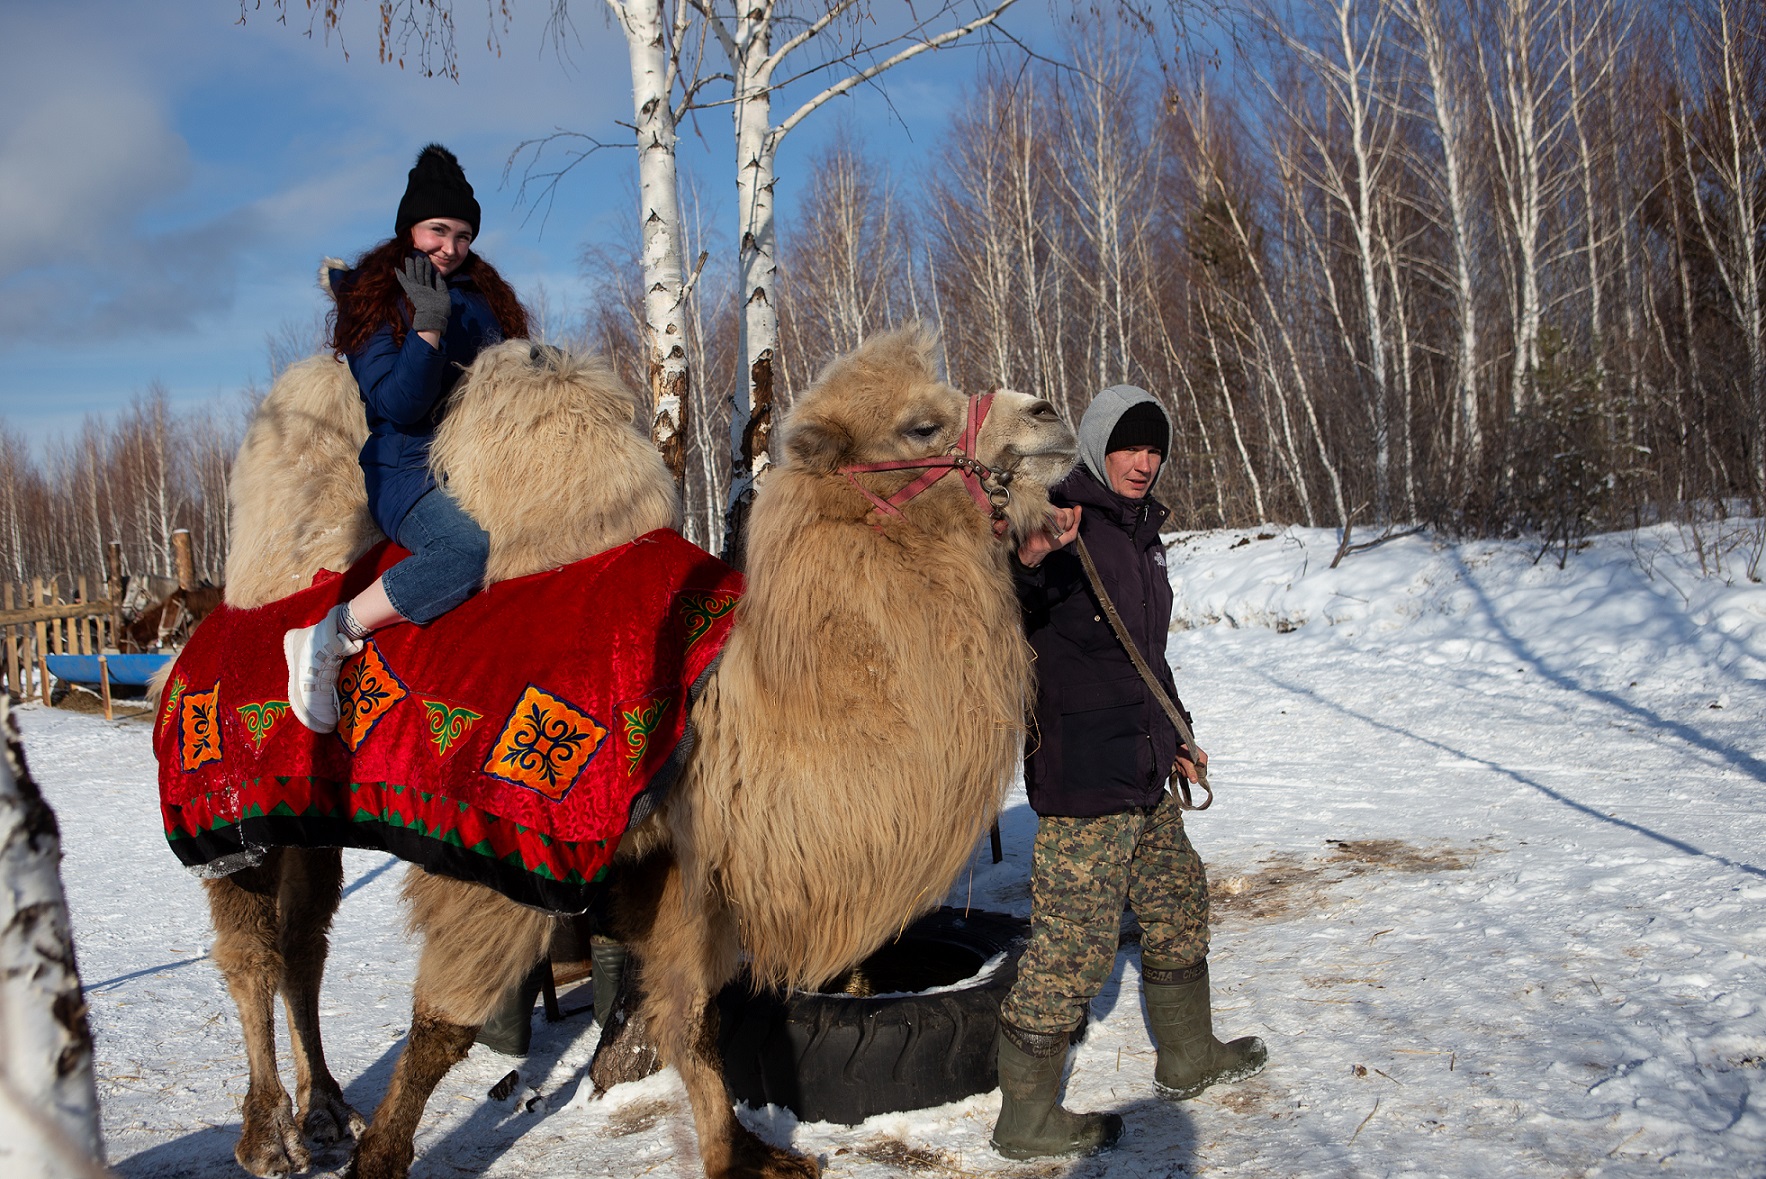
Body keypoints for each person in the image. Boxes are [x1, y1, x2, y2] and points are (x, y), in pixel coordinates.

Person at [991, 384, 1267, 1160]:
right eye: (1129, 446)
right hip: (1085, 774)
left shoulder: (1139, 530)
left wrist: (1177, 732)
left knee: (1179, 903)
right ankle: (1026, 1115)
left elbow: (1144, 651)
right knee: (1072, 948)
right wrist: (1032, 555)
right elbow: (1009, 596)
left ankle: (1187, 1054)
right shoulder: (1059, 514)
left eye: (1155, 449)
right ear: (1097, 443)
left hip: (1143, 762)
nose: (1144, 462)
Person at [284, 144, 530, 733]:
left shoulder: (483, 296)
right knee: (463, 551)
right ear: (409, 229)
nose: (450, 247)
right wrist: (427, 327)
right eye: (437, 231)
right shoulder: (374, 300)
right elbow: (397, 404)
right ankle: (332, 633)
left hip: (484, 461)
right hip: (407, 468)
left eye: (463, 235)